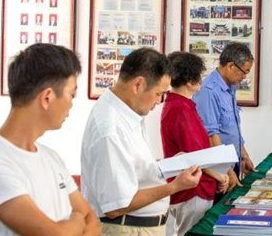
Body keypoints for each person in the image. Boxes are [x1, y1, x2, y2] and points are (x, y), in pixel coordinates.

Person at [0, 44, 100, 235]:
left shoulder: (52, 158)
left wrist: (75, 224)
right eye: (71, 95)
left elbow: (92, 220)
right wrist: (76, 219)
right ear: (47, 97)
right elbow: (55, 234)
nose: (71, 104)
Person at [81, 47, 202, 235]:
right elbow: (117, 205)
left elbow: (134, 167)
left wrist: (169, 164)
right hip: (126, 228)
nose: (159, 101)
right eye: (158, 93)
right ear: (138, 84)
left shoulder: (127, 113)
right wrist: (175, 186)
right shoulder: (111, 129)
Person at [160, 52, 230, 236]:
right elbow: (193, 156)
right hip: (193, 189)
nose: (201, 80)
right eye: (198, 75)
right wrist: (220, 176)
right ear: (190, 81)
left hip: (195, 187)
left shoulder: (182, 105)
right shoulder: (180, 109)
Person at [193, 43, 256, 191]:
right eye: (244, 72)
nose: (244, 77)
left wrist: (244, 156)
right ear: (230, 66)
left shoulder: (230, 87)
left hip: (232, 163)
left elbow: (232, 128)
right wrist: (227, 170)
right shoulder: (208, 91)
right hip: (219, 171)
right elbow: (211, 135)